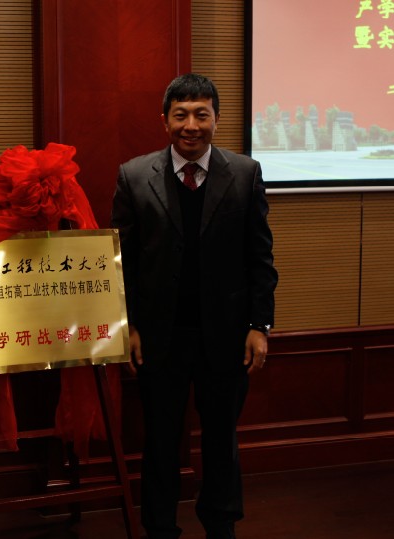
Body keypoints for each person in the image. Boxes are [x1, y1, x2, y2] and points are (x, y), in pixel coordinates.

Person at [110, 73, 278, 539]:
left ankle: (221, 525)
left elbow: (260, 257)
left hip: (226, 335)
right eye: (180, 115)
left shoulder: (244, 174)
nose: (191, 125)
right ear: (164, 120)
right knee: (160, 438)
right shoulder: (133, 176)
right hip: (158, 337)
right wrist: (129, 327)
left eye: (201, 115)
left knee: (222, 438)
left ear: (216, 120)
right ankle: (160, 526)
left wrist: (259, 325)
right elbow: (121, 263)